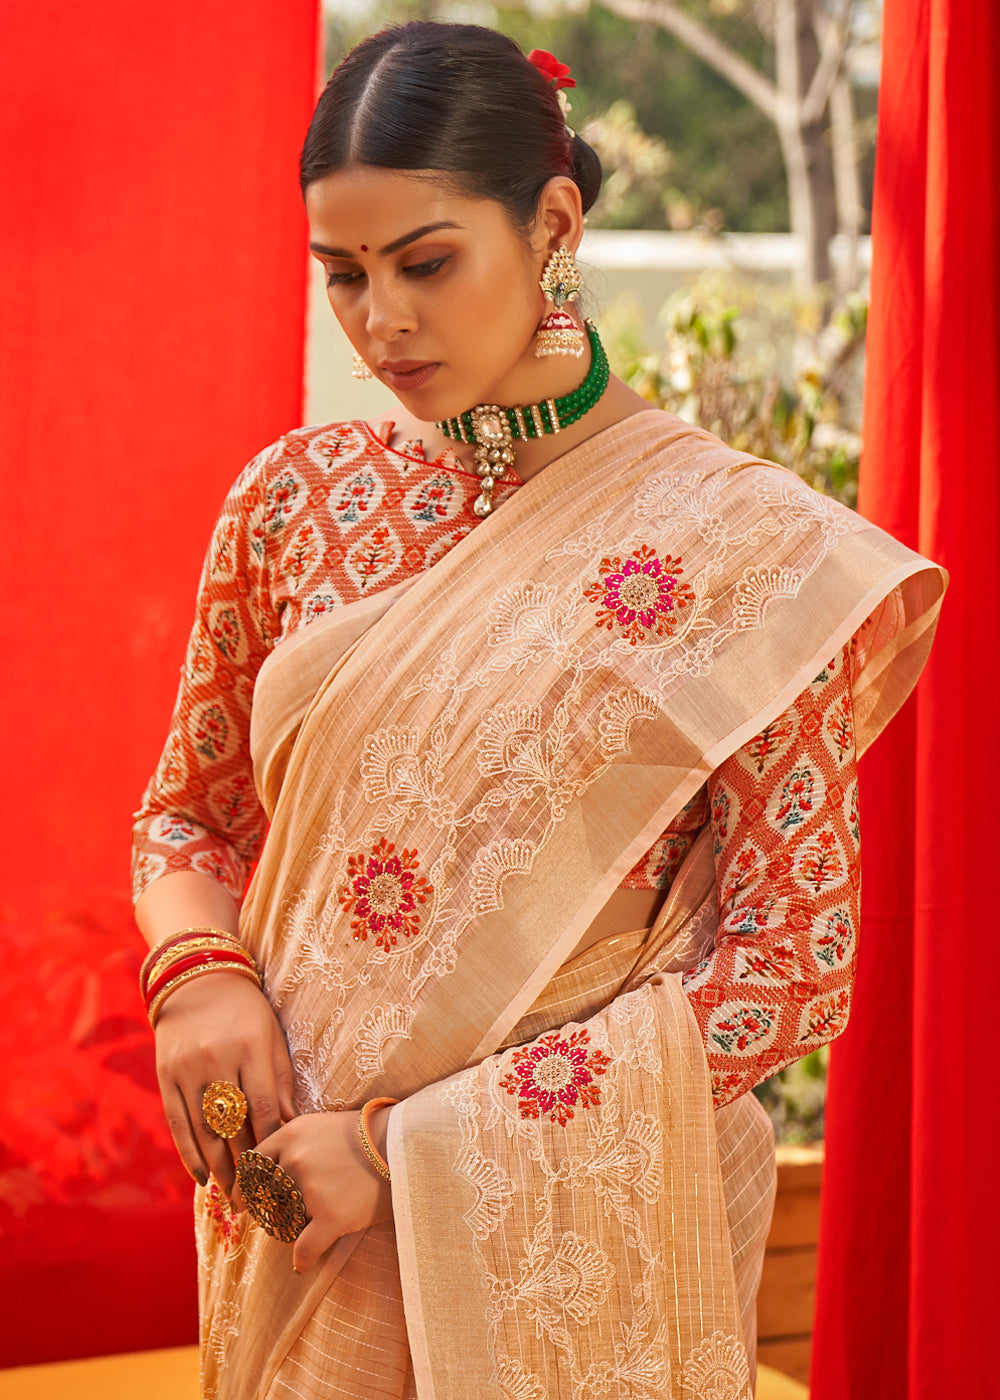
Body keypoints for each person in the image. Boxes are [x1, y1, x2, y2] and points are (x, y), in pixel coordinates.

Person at [131, 21, 945, 1400]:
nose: (381, 321)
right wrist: (196, 978)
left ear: (553, 221)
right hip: (293, 1228)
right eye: (343, 276)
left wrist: (402, 1153)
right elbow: (185, 821)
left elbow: (792, 962)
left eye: (426, 264)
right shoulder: (294, 501)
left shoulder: (734, 550)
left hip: (581, 1247)